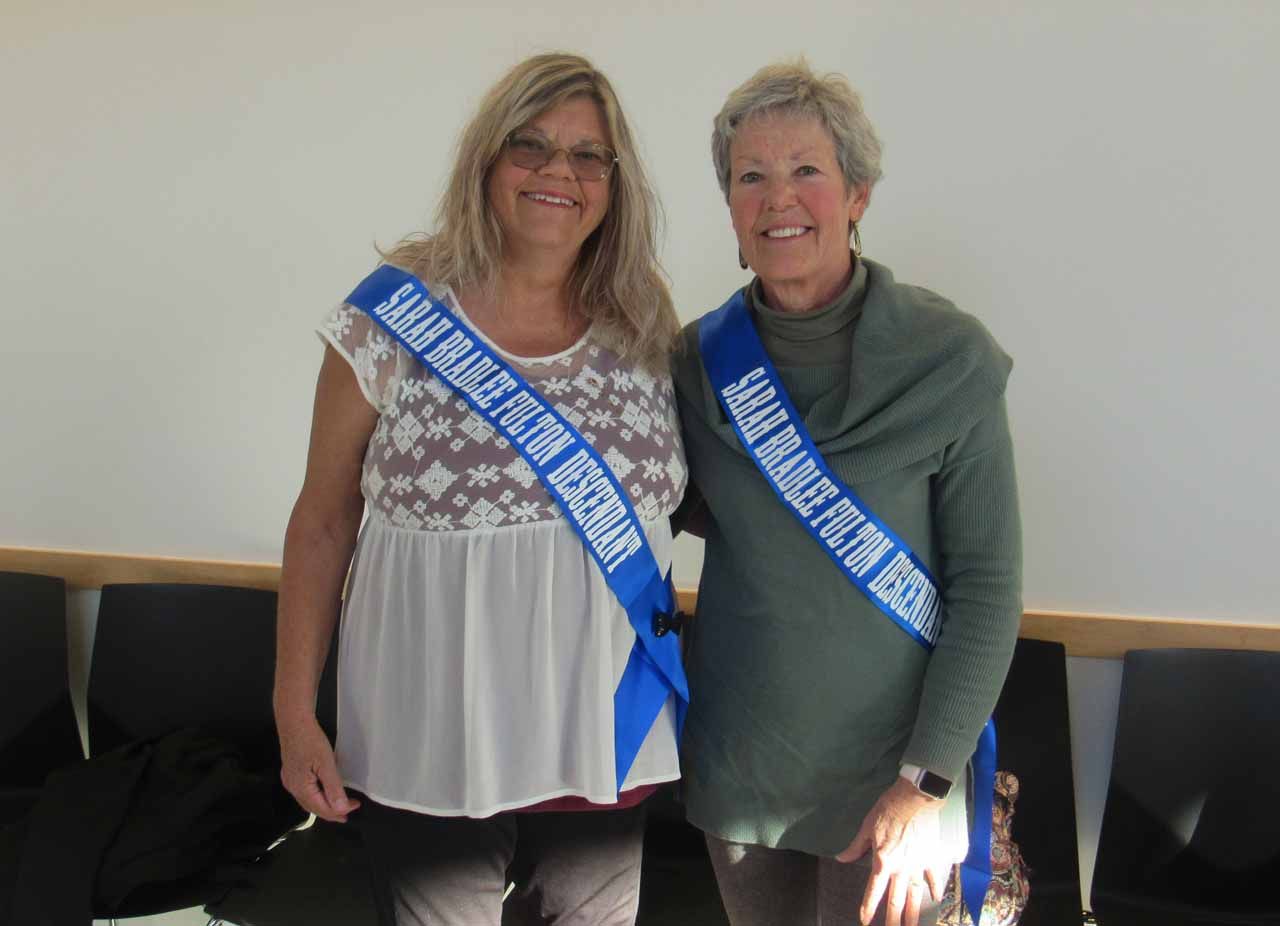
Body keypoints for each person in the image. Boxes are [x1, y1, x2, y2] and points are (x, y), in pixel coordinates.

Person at [272, 53, 688, 926]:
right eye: (529, 146)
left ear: (614, 183)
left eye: (587, 156)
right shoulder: (391, 316)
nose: (558, 173)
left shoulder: (643, 320)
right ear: (486, 162)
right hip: (431, 743)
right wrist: (292, 711)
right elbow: (320, 522)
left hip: (603, 741)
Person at [672, 61, 1023, 926]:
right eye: (750, 176)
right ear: (729, 207)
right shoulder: (694, 363)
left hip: (896, 777)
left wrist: (925, 783)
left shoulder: (947, 356)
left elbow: (986, 591)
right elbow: (690, 511)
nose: (777, 198)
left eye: (806, 172)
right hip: (743, 767)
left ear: (858, 193)